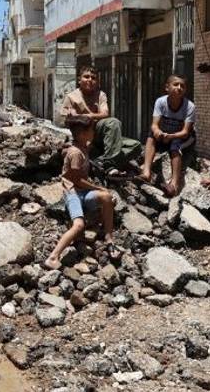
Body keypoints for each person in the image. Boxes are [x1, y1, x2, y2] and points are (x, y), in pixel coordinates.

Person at [45, 117, 116, 270]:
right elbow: (76, 180)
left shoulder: (83, 146)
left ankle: (109, 237)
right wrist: (98, 188)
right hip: (73, 193)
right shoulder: (76, 153)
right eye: (91, 130)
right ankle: (53, 257)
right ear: (83, 134)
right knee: (79, 225)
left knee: (107, 198)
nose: (94, 132)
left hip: (83, 192)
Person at [60, 66, 141, 176]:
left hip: (100, 134)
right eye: (86, 77)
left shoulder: (100, 95)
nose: (90, 80)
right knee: (113, 122)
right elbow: (66, 119)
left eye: (93, 78)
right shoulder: (71, 97)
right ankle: (109, 164)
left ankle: (101, 161)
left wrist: (86, 115)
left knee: (135, 146)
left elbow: (105, 113)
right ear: (79, 80)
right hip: (84, 135)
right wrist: (77, 118)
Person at [139, 75, 197, 197]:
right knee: (151, 135)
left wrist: (170, 136)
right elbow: (154, 125)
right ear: (167, 87)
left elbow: (185, 132)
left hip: (184, 138)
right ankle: (146, 172)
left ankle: (174, 185)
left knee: (175, 145)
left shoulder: (189, 106)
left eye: (182, 86)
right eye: (176, 84)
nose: (179, 88)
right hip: (167, 134)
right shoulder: (161, 102)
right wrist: (157, 132)